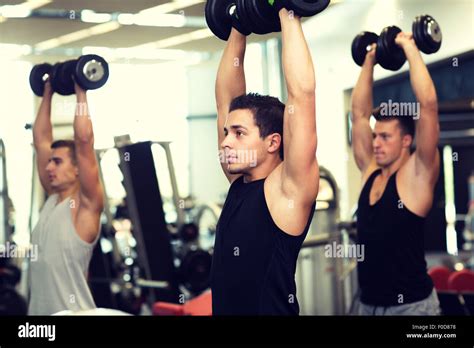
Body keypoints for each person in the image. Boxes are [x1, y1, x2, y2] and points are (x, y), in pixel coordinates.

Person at [210, 9, 319, 315]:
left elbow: (302, 96)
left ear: (273, 142)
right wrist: (237, 23)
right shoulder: (239, 181)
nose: (225, 141)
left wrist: (289, 13)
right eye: (226, 132)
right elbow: (225, 99)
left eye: (239, 133)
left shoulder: (287, 190)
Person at [350, 32, 441, 315]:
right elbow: (359, 115)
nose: (375, 143)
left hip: (412, 308)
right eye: (375, 136)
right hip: (368, 305)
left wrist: (409, 46)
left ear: (405, 141)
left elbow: (427, 105)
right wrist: (369, 60)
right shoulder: (370, 172)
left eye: (385, 137)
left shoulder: (418, 174)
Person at [28, 80, 104, 315]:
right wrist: (47, 91)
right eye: (50, 161)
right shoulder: (52, 198)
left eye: (57, 162)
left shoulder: (85, 206)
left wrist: (81, 92)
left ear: (78, 168)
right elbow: (40, 140)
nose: (49, 167)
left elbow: (83, 142)